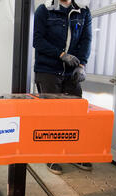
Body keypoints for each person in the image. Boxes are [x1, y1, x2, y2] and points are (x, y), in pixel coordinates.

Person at [33, 0, 92, 175]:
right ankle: (51, 156)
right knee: (52, 116)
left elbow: (86, 39)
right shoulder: (44, 10)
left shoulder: (83, 12)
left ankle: (74, 154)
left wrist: (81, 65)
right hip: (48, 70)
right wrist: (61, 55)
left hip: (71, 73)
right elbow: (37, 40)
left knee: (76, 114)